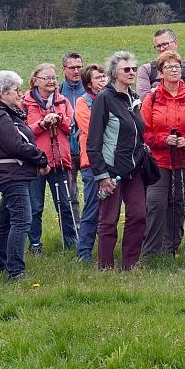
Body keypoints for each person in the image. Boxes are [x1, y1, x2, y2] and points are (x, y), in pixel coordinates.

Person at [0, 70, 49, 280]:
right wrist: (41, 158)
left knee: (6, 219)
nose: (20, 94)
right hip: (12, 174)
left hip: (14, 172)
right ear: (3, 92)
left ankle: (1, 264)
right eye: (16, 90)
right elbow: (15, 145)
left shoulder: (4, 114)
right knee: (22, 221)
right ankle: (16, 270)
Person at [140, 50, 185, 258]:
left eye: (177, 66)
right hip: (158, 159)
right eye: (169, 67)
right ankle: (151, 250)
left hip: (184, 159)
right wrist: (163, 140)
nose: (174, 70)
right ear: (160, 72)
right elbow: (144, 130)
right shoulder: (152, 98)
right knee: (156, 203)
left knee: (177, 202)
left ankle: (171, 247)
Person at [86, 51, 148, 270]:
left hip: (134, 169)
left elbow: (137, 131)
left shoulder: (133, 97)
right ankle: (105, 266)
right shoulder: (104, 98)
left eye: (134, 68)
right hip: (111, 170)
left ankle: (130, 264)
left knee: (139, 215)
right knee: (108, 219)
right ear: (114, 73)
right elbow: (93, 141)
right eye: (126, 69)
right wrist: (102, 175)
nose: (132, 72)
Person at [22, 63, 76, 252]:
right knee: (35, 206)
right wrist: (42, 124)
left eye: (54, 78)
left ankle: (70, 242)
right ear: (35, 81)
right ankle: (35, 244)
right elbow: (22, 132)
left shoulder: (63, 102)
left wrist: (59, 119)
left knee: (65, 205)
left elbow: (71, 128)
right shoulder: (24, 103)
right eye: (47, 78)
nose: (52, 81)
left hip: (59, 161)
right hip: (35, 162)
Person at [73, 64, 107, 262]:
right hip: (91, 162)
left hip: (112, 161)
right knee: (92, 207)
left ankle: (105, 249)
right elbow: (91, 128)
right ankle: (84, 251)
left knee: (109, 209)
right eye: (98, 78)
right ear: (88, 83)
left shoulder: (111, 98)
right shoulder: (82, 102)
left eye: (104, 77)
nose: (102, 81)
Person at [59, 51, 85, 227]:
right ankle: (73, 230)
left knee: (94, 193)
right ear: (63, 69)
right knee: (69, 194)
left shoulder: (90, 90)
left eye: (79, 67)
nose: (76, 71)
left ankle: (94, 229)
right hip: (67, 150)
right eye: (72, 67)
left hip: (88, 150)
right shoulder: (58, 91)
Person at [137, 28, 185, 100]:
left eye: (165, 44)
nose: (162, 49)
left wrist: (155, 91)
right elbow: (144, 98)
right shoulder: (146, 70)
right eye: (158, 46)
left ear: (176, 43)